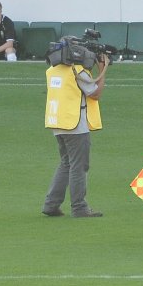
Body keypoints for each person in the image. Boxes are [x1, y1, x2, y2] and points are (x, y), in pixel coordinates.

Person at [42, 43, 109, 218]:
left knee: (66, 163)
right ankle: (79, 207)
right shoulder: (77, 71)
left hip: (57, 122)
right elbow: (95, 93)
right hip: (74, 124)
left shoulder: (52, 69)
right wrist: (103, 69)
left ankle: (51, 204)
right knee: (79, 166)